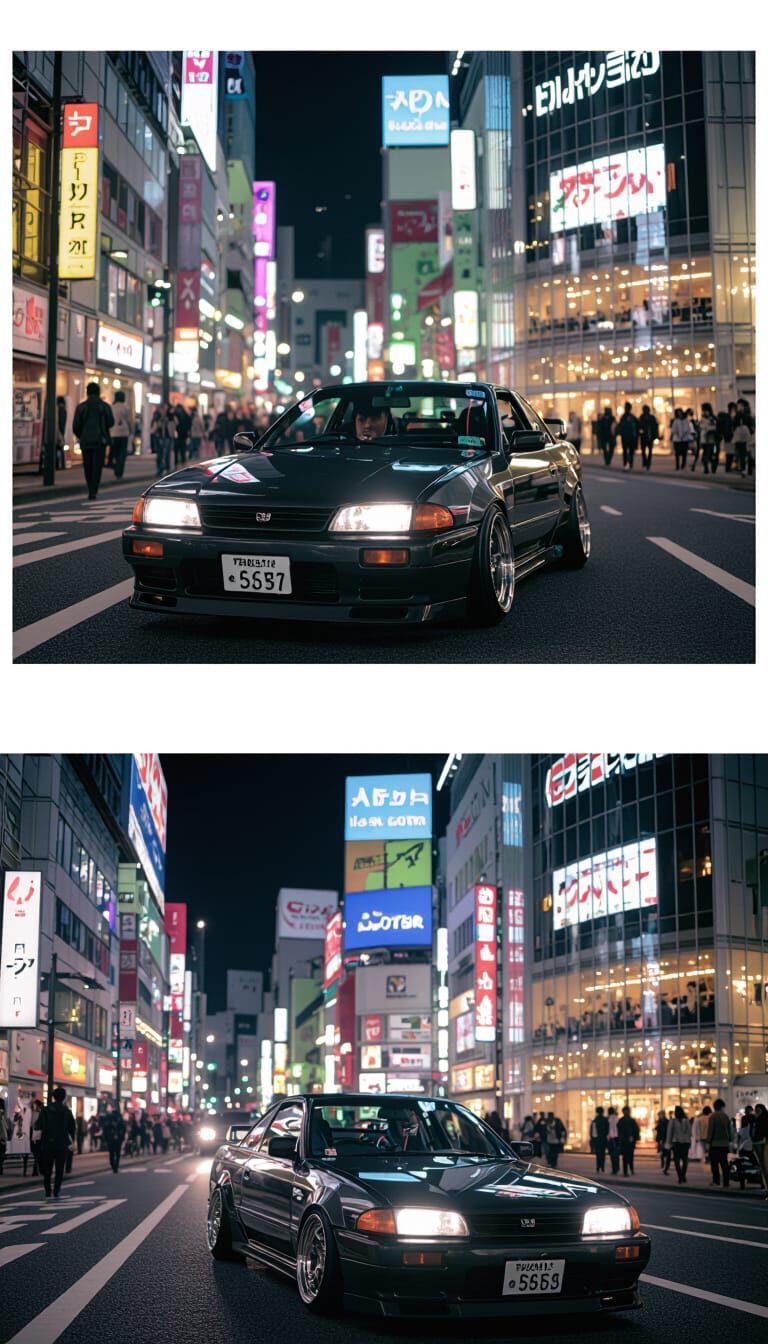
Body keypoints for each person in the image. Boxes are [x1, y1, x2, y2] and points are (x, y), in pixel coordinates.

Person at [72, 381, 115, 499]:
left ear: (87, 392)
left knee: (88, 466)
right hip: (100, 441)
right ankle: (93, 489)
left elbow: (75, 426)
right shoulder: (104, 406)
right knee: (97, 466)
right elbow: (111, 422)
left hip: (86, 441)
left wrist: (82, 436)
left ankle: (90, 487)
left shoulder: (81, 407)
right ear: (98, 392)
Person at [35, 1085, 76, 1197]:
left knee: (47, 1168)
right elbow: (72, 1128)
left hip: (47, 1142)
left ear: (53, 1096)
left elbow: (38, 1125)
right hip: (62, 1143)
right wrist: (72, 1141)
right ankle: (56, 1190)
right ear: (63, 1097)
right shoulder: (66, 1111)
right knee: (59, 1168)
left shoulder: (46, 1110)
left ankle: (47, 1190)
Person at [707, 1098, 731, 1186]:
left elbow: (710, 1130)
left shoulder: (713, 1117)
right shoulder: (726, 1117)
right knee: (724, 1163)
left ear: (714, 1107)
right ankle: (726, 1182)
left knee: (714, 1164)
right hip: (725, 1144)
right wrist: (730, 1139)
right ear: (722, 1107)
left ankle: (716, 1180)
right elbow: (730, 1130)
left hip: (715, 1144)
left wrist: (708, 1141)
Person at [108, 390, 133, 478]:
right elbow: (129, 420)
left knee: (115, 452)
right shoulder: (126, 407)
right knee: (122, 453)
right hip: (124, 433)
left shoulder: (112, 407)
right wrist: (131, 430)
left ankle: (115, 467)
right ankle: (119, 471)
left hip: (113, 433)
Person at [668, 1105, 692, 1183]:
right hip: (684, 1143)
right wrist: (689, 1141)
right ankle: (682, 1175)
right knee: (684, 1160)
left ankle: (680, 1176)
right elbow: (690, 1133)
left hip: (677, 1142)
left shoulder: (673, 1121)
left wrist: (668, 1143)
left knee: (677, 1161)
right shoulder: (686, 1120)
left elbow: (669, 1133)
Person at [101, 1103, 126, 1173]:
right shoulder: (119, 1118)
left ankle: (113, 1164)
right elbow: (123, 1128)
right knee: (117, 1152)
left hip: (112, 1138)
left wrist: (105, 1138)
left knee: (112, 1152)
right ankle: (116, 1165)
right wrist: (122, 1136)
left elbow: (105, 1129)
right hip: (117, 1137)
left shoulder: (109, 1117)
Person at [617, 1104, 639, 1176]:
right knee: (630, 1156)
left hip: (624, 1141)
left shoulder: (621, 1121)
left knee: (625, 1157)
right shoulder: (631, 1120)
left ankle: (626, 1171)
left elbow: (619, 1131)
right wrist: (634, 1137)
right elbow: (636, 1130)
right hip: (629, 1141)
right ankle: (630, 1170)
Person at [752, 1102, 768, 1197]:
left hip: (763, 1143)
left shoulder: (763, 1119)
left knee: (765, 1166)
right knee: (763, 1167)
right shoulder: (757, 1119)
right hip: (759, 1143)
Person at [697, 402, 718, 474]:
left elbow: (715, 427)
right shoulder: (703, 419)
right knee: (706, 454)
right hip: (705, 440)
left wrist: (709, 428)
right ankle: (706, 468)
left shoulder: (713, 418)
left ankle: (712, 466)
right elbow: (702, 428)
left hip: (712, 440)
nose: (704, 412)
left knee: (711, 454)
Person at [617, 401, 638, 470]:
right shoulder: (629, 417)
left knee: (628, 451)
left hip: (628, 436)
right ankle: (628, 464)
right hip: (628, 436)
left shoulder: (627, 417)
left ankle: (627, 464)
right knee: (627, 451)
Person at [670, 406, 693, 470]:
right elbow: (673, 430)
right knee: (677, 453)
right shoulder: (676, 421)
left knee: (684, 453)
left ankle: (683, 465)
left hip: (684, 439)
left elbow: (688, 429)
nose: (679, 415)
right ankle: (677, 465)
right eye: (678, 413)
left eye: (680, 413)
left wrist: (685, 434)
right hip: (677, 439)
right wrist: (677, 434)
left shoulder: (686, 420)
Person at [638, 404, 659, 471]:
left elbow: (655, 426)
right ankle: (645, 461)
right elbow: (639, 426)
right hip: (644, 436)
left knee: (649, 451)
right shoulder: (642, 417)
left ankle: (648, 463)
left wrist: (655, 435)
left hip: (650, 436)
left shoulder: (651, 418)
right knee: (643, 451)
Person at [590, 1105, 609, 1173]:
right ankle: (602, 1167)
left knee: (598, 1154)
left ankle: (598, 1167)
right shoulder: (605, 1120)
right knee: (603, 1154)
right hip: (603, 1139)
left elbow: (592, 1131)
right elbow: (607, 1130)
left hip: (597, 1140)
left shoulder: (595, 1120)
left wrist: (593, 1139)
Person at [174, 401, 192, 466]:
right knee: (182, 448)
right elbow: (189, 423)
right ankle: (182, 461)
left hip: (178, 434)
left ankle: (177, 461)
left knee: (177, 448)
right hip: (183, 434)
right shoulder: (185, 415)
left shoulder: (176, 414)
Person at [607, 1106, 620, 1174]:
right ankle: (617, 1168)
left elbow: (611, 1129)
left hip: (612, 1138)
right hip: (616, 1138)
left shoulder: (610, 1118)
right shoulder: (616, 1118)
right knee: (616, 1155)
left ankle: (614, 1169)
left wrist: (610, 1137)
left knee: (612, 1155)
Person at [56, 395, 67, 470]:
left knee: (59, 448)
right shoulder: (64, 410)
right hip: (61, 431)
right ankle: (61, 464)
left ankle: (60, 465)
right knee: (60, 449)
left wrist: (60, 433)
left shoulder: (60, 410)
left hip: (59, 432)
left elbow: (60, 422)